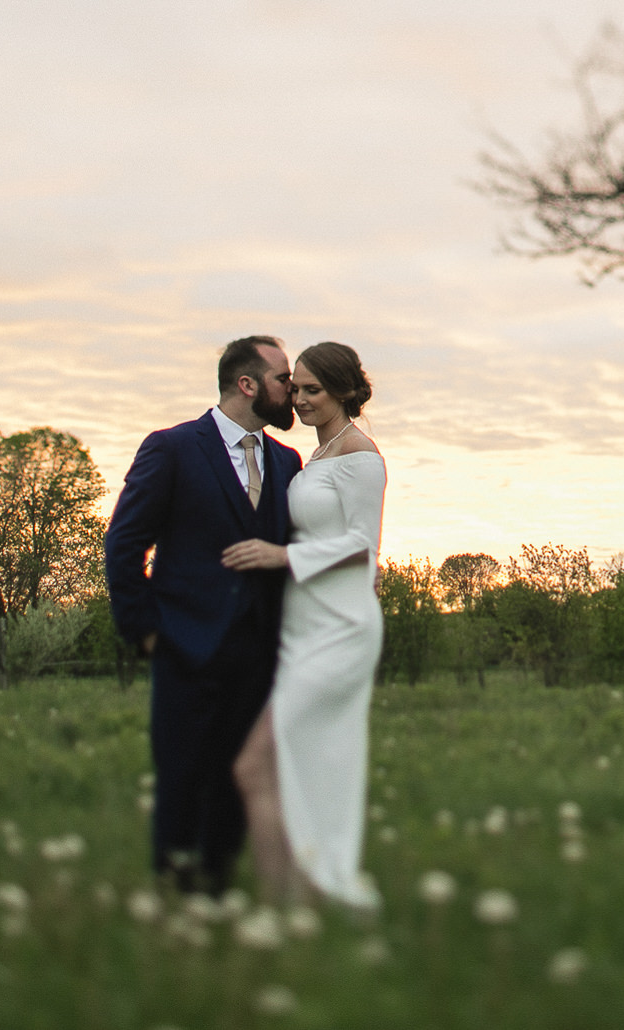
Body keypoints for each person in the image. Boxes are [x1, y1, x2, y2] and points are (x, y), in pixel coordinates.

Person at [104, 335, 301, 895]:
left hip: (260, 653)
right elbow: (123, 544)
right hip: (184, 646)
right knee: (182, 777)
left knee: (239, 780)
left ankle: (217, 888)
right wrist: (143, 632)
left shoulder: (287, 462)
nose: (290, 390)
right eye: (282, 379)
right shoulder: (171, 448)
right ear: (248, 384)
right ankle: (174, 895)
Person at [222, 341, 385, 912]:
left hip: (341, 629)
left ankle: (301, 894)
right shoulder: (312, 458)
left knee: (260, 759)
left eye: (313, 390)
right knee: (292, 760)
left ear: (343, 392)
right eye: (296, 388)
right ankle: (297, 894)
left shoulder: (361, 455)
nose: (301, 399)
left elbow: (365, 545)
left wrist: (280, 557)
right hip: (304, 626)